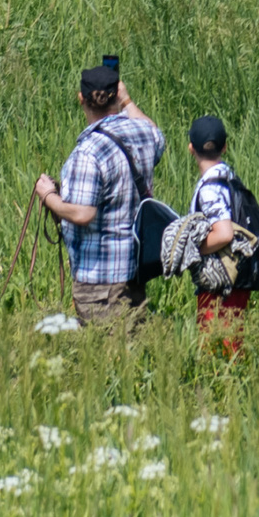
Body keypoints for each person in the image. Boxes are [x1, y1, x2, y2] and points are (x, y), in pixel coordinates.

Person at [33, 60, 165, 328]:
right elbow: (156, 135)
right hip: (134, 271)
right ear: (117, 95)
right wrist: (127, 102)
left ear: (80, 98)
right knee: (132, 358)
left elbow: (83, 213)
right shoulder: (142, 134)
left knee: (104, 359)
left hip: (99, 282)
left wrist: (48, 196)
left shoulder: (88, 152)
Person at [183, 114, 249, 356]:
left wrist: (191, 250)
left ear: (191, 148)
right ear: (225, 147)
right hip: (236, 273)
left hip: (218, 280)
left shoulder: (210, 188)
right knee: (233, 341)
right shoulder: (230, 179)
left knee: (217, 348)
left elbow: (223, 234)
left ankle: (223, 388)